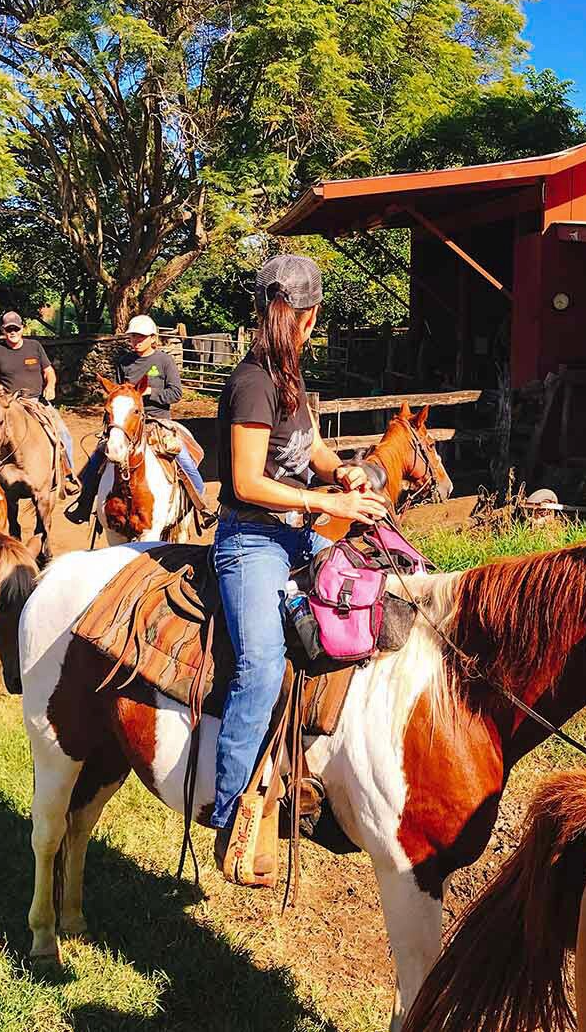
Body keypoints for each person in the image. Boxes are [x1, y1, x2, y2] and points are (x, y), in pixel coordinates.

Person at [209, 254, 388, 885]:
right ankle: (231, 811)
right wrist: (325, 501)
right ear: (300, 317)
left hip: (298, 532)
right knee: (260, 661)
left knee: (375, 592)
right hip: (251, 540)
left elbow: (306, 446)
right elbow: (247, 480)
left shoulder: (288, 376)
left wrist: (343, 470)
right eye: (310, 314)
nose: (312, 324)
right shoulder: (253, 381)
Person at [64, 314, 207, 522]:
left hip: (159, 421)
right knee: (98, 456)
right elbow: (118, 392)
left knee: (183, 457)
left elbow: (176, 393)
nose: (136, 341)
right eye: (133, 337)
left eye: (141, 337)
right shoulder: (124, 362)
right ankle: (84, 503)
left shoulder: (164, 360)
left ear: (153, 338)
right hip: (128, 424)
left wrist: (150, 392)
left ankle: (200, 502)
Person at [0, 310, 77, 486]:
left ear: (22, 329)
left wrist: (50, 386)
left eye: (16, 328)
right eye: (8, 329)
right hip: (11, 404)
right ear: (3, 330)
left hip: (37, 402)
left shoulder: (34, 346)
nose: (12, 332)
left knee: (63, 434)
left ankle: (67, 474)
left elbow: (48, 371)